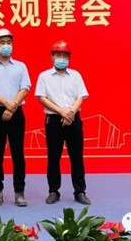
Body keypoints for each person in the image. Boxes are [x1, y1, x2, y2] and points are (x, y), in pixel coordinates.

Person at [35, 40, 91, 205]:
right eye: (58, 55)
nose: (61, 58)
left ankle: (80, 191)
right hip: (53, 119)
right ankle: (53, 191)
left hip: (73, 118)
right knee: (53, 157)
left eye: (65, 55)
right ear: (52, 57)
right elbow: (42, 98)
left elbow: (81, 96)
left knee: (77, 157)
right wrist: (61, 111)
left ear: (69, 58)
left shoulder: (76, 75)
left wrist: (71, 112)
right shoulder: (44, 76)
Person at [0, 28, 31, 207]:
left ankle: (19, 192)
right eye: (2, 42)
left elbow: (25, 87)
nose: (6, 46)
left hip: (16, 112)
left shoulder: (20, 66)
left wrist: (12, 107)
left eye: (9, 42)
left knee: (18, 154)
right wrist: (6, 104)